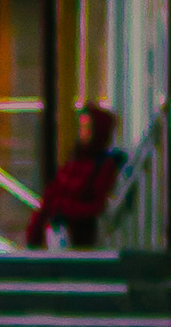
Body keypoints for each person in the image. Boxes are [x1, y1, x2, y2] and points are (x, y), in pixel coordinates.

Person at [25, 104, 122, 250]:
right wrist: (34, 236)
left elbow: (96, 205)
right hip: (56, 232)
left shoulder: (103, 165)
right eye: (81, 127)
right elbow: (50, 197)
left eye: (88, 128)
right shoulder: (73, 161)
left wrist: (65, 208)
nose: (82, 133)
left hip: (81, 236)